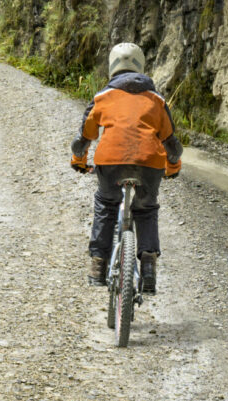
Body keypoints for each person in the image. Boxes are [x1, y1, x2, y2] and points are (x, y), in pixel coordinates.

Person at [70, 42, 182, 292]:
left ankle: (98, 265)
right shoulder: (156, 100)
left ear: (112, 66)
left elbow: (83, 139)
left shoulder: (102, 97)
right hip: (149, 164)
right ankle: (149, 267)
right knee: (146, 209)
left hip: (110, 162)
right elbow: (172, 144)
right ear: (141, 66)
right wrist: (173, 166)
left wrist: (79, 160)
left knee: (106, 205)